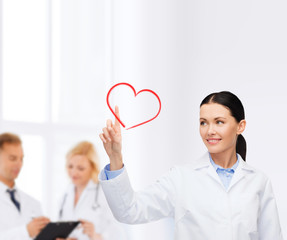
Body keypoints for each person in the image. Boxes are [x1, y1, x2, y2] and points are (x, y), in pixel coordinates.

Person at [98, 91, 283, 240]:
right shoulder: (181, 178)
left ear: (240, 126)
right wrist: (115, 157)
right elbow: (129, 211)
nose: (210, 131)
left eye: (219, 122)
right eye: (203, 123)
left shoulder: (258, 182)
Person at [57, 141, 127, 240]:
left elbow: (119, 233)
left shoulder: (104, 193)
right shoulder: (65, 195)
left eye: (80, 168)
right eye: (70, 166)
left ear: (92, 168)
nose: (74, 172)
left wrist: (95, 236)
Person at [0, 132, 50, 240]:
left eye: (21, 159)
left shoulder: (33, 203)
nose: (19, 164)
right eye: (13, 158)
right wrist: (26, 231)